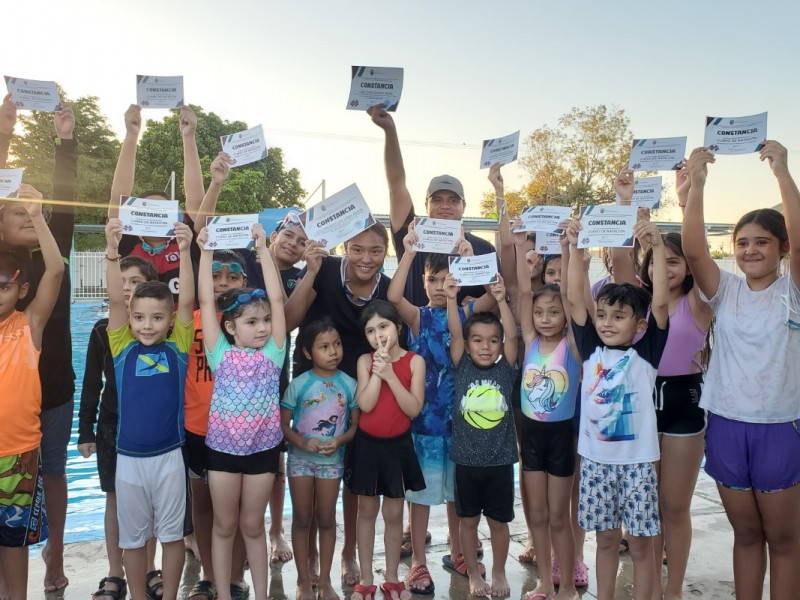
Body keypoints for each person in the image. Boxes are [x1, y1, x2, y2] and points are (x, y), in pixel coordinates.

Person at [682, 142, 800, 599]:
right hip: (728, 426)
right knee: (747, 535)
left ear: (783, 248)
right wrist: (698, 185)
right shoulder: (726, 290)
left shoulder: (792, 291)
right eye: (742, 243)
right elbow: (693, 253)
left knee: (785, 541)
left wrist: (782, 173)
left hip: (779, 428)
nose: (750, 251)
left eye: (762, 242)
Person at [613, 166, 712, 600]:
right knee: (643, 510)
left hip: (683, 405)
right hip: (639, 404)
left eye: (675, 261)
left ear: (688, 268)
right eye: (657, 260)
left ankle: (672, 591)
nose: (666, 268)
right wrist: (625, 204)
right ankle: (648, 587)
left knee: (674, 507)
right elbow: (619, 259)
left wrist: (689, 197)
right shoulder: (635, 304)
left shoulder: (698, 304)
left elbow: (697, 248)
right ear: (646, 265)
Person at [387, 225, 497, 595]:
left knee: (458, 497)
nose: (437, 286)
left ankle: (458, 551)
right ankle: (418, 560)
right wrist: (407, 253)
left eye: (445, 279)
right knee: (419, 497)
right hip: (423, 423)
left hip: (462, 423)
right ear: (424, 279)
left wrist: (470, 262)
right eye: (432, 279)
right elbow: (392, 294)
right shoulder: (417, 317)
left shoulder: (467, 311)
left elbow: (492, 298)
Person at [565, 217, 669, 600]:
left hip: (639, 464)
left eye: (619, 316)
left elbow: (659, 302)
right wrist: (577, 250)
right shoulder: (592, 347)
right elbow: (576, 300)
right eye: (604, 314)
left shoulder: (647, 353)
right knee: (605, 542)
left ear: (639, 325)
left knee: (642, 548)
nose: (607, 323)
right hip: (595, 463)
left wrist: (656, 247)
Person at [285, 222, 393, 585]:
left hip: (358, 392)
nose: (366, 258)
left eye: (375, 251)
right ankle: (311, 556)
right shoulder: (325, 268)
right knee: (310, 474)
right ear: (345, 245)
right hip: (313, 391)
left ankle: (347, 555)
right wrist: (311, 272)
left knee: (350, 479)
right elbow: (287, 320)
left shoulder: (389, 290)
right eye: (358, 249)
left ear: (385, 253)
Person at [0, 95, 77, 594]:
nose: (30, 215)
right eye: (19, 212)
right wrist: (5, 131)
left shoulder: (53, 246)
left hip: (51, 384)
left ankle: (54, 554)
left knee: (51, 472)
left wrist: (65, 140)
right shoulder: (2, 262)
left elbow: (64, 195)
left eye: (37, 210)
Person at [104, 218, 195, 600]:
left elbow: (188, 300)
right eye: (139, 317)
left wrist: (186, 250)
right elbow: (113, 300)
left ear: (171, 319)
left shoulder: (178, 346)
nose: (146, 325)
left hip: (169, 458)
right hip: (129, 460)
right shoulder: (122, 346)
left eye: (157, 317)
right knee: (134, 540)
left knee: (172, 536)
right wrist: (112, 252)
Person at [197, 222, 287, 600]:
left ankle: (262, 596)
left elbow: (279, 301)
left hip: (262, 452)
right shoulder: (220, 353)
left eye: (265, 320)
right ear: (231, 327)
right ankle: (221, 592)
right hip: (221, 451)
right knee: (224, 525)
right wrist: (204, 252)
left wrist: (263, 249)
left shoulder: (274, 353)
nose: (263, 327)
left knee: (253, 526)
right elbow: (204, 302)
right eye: (252, 322)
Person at [77, 256, 159, 600]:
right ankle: (116, 570)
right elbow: (92, 383)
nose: (127, 288)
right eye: (122, 280)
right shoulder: (102, 331)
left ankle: (151, 567)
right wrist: (86, 429)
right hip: (112, 426)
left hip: (153, 426)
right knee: (114, 498)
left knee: (152, 500)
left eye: (136, 281)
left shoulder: (159, 329)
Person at [0, 193, 64, 600]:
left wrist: (39, 217)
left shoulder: (28, 326)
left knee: (14, 542)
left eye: (4, 286)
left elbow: (56, 270)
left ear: (22, 290)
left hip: (19, 454)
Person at [368, 104, 496, 306]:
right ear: (426, 204)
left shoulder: (483, 248)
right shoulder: (412, 237)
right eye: (437, 200)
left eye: (453, 200)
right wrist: (390, 131)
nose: (445, 206)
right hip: (417, 334)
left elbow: (498, 300)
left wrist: (478, 304)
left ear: (464, 206)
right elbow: (396, 186)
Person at [514, 230, 581, 600]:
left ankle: (567, 585)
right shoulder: (530, 341)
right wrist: (523, 248)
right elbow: (525, 294)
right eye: (540, 313)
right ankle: (544, 580)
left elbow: (572, 299)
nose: (544, 317)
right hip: (533, 438)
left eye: (553, 312)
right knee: (537, 515)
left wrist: (568, 250)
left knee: (559, 516)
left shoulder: (572, 344)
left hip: (560, 438)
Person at [345, 300, 425, 600]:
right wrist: (379, 371)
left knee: (393, 514)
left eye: (384, 326)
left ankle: (392, 577)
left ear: (398, 328)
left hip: (398, 447)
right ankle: (366, 578)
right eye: (370, 330)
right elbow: (365, 405)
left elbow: (413, 409)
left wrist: (391, 374)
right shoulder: (365, 362)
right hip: (368, 446)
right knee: (366, 512)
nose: (378, 334)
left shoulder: (415, 361)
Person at [446, 273, 518, 598]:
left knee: (499, 523)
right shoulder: (462, 366)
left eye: (492, 340)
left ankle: (500, 570)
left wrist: (502, 299)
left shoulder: (506, 369)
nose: (485, 346)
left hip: (500, 463)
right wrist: (451, 298)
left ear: (500, 344)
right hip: (467, 464)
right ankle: (474, 572)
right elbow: (454, 332)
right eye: (477, 339)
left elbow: (514, 339)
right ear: (468, 343)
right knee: (468, 522)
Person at [281, 318, 359, 600]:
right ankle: (303, 580)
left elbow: (353, 426)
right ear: (307, 352)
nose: (333, 351)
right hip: (300, 462)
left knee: (326, 519)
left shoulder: (349, 384)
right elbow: (284, 425)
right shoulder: (299, 385)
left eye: (336, 344)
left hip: (331, 462)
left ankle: (325, 580)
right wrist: (302, 441)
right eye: (324, 347)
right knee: (302, 518)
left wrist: (338, 441)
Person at [108, 104, 203, 299]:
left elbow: (196, 202)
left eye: (162, 209)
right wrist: (131, 135)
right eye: (147, 209)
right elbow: (118, 196)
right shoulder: (127, 243)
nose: (154, 213)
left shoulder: (185, 240)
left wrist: (189, 137)